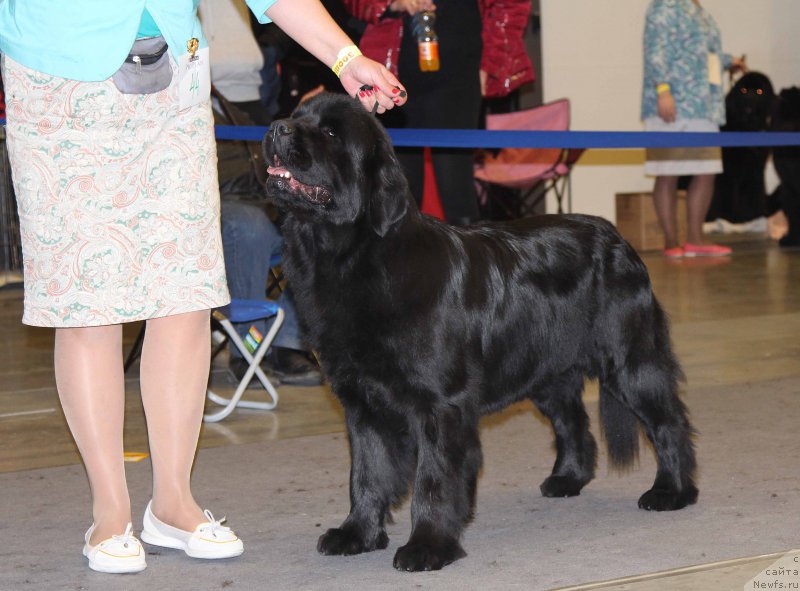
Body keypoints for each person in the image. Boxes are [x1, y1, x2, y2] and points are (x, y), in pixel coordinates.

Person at [0, 0, 405, 574]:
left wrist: (344, 58)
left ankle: (173, 502)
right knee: (89, 302)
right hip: (58, 78)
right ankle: (110, 511)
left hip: (174, 77)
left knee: (185, 296)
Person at [341, 0, 534, 225]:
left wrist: (491, 64)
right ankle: (402, 258)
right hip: (390, 76)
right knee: (397, 187)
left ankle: (469, 259)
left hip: (460, 72)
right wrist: (393, 3)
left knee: (457, 186)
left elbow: (511, 6)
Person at [641, 0, 746, 258]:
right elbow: (655, 52)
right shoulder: (663, 6)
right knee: (667, 172)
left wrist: (727, 60)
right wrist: (663, 90)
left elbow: (703, 55)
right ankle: (670, 242)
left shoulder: (700, 11)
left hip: (705, 105)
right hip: (673, 103)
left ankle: (695, 239)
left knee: (706, 170)